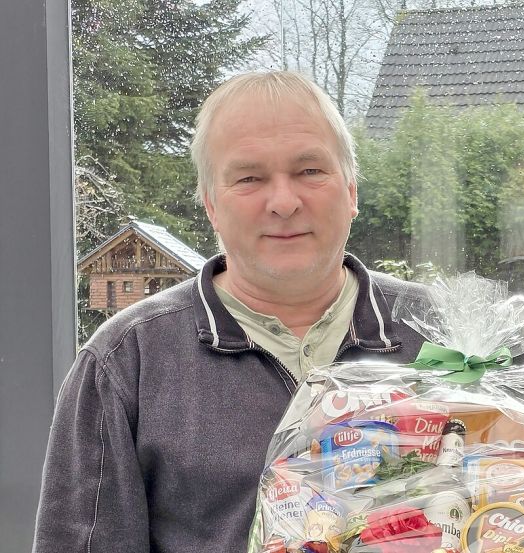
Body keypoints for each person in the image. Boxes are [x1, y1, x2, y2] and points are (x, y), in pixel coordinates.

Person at [32, 71, 426, 553]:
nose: (284, 202)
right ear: (211, 206)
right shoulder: (125, 362)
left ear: (351, 191)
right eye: (249, 178)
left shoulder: (449, 338)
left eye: (309, 171)